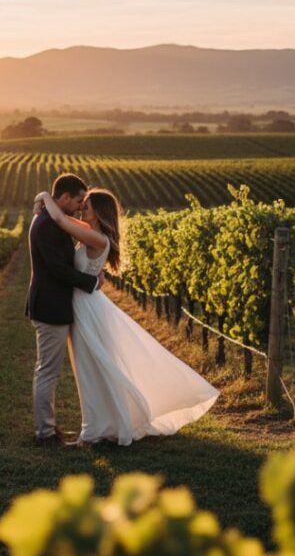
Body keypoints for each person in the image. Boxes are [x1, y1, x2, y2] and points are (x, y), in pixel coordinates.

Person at [34, 187, 219, 446]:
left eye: (86, 206)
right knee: (91, 368)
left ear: (98, 212)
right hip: (83, 304)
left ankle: (100, 428)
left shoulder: (97, 239)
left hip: (87, 309)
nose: (81, 208)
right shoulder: (91, 232)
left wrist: (43, 196)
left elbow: (61, 220)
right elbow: (64, 222)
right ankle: (101, 426)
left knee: (95, 368)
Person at [25, 173, 102, 446]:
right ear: (65, 197)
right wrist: (92, 281)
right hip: (50, 305)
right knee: (47, 371)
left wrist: (42, 197)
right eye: (79, 199)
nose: (81, 205)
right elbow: (58, 269)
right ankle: (44, 434)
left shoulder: (52, 219)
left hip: (54, 303)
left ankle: (46, 429)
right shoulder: (46, 224)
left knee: (47, 371)